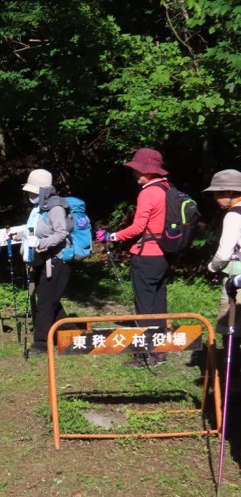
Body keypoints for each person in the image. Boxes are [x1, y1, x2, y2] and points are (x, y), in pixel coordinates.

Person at [96, 148, 170, 367]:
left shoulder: (148, 192)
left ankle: (145, 355)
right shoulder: (167, 188)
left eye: (137, 170)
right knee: (159, 303)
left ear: (147, 171)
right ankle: (160, 351)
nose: (135, 174)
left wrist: (113, 235)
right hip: (164, 254)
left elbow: (139, 227)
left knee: (144, 306)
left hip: (146, 255)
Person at [8, 169, 72, 356]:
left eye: (34, 192)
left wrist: (41, 243)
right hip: (43, 261)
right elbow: (33, 232)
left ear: (44, 191)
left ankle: (41, 344)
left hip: (56, 262)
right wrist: (17, 235)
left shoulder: (56, 208)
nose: (30, 195)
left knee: (45, 302)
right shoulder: (38, 209)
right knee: (49, 299)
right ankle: (71, 333)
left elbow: (61, 233)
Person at [205, 169, 241, 368]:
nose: (216, 198)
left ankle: (232, 373)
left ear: (230, 193)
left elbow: (224, 253)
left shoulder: (234, 215)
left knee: (231, 326)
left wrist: (211, 267)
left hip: (237, 276)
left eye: (219, 193)